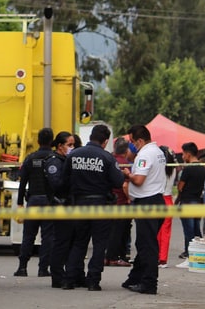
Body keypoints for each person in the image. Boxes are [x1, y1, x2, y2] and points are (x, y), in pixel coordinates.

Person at [61, 124, 124, 291]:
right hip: (100, 205)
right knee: (99, 244)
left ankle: (69, 280)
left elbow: (63, 181)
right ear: (105, 141)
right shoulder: (107, 158)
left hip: (79, 204)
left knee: (79, 242)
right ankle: (93, 281)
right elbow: (118, 182)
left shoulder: (73, 155)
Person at [121, 124, 166, 295]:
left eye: (133, 141)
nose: (132, 145)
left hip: (147, 202)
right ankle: (134, 278)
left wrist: (127, 174)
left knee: (147, 245)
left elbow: (139, 180)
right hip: (157, 201)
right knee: (144, 242)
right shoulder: (158, 152)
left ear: (140, 140)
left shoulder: (145, 154)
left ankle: (149, 283)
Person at [14, 127, 57, 278]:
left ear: (38, 141)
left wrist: (20, 203)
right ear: (52, 141)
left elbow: (22, 183)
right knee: (47, 236)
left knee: (28, 236)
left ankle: (22, 267)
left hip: (32, 200)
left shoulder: (30, 158)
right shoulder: (54, 158)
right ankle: (43, 269)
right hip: (49, 201)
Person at [48, 131, 76, 288]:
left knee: (69, 242)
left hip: (69, 205)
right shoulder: (54, 162)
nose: (72, 148)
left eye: (73, 145)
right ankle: (57, 276)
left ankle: (66, 273)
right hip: (60, 205)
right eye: (69, 145)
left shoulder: (66, 160)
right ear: (60, 146)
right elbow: (57, 184)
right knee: (60, 242)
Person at [175, 141, 205, 265]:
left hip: (187, 202)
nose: (182, 156)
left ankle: (189, 255)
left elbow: (180, 187)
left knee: (189, 231)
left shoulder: (188, 169)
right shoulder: (203, 168)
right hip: (198, 202)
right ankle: (200, 254)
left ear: (188, 154)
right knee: (197, 230)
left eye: (183, 154)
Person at [105, 137, 132, 267]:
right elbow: (125, 185)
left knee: (109, 231)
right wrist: (129, 198)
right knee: (119, 232)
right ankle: (115, 257)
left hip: (109, 201)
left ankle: (107, 257)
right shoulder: (125, 164)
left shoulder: (110, 161)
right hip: (121, 203)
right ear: (126, 150)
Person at [156, 145, 176, 268]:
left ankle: (157, 256)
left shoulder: (160, 167)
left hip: (159, 199)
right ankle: (163, 259)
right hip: (169, 200)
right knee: (166, 232)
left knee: (157, 231)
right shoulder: (173, 168)